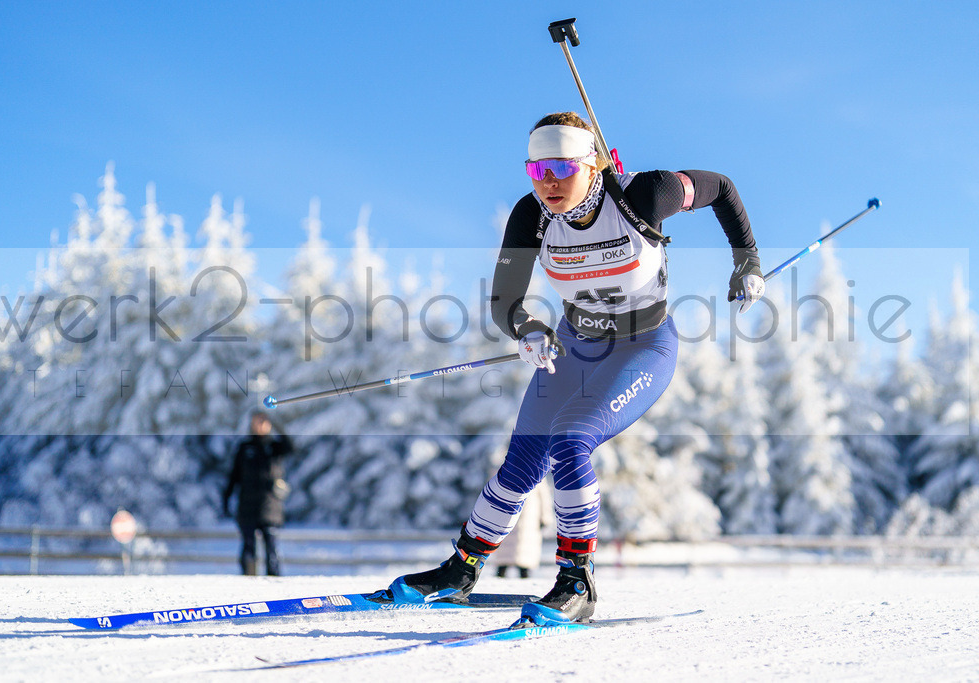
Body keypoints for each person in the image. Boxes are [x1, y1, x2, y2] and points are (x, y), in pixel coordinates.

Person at [388, 112, 764, 624]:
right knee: (522, 460)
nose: (548, 182)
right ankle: (461, 569)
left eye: (562, 167)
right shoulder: (532, 215)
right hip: (574, 346)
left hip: (642, 346)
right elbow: (504, 301)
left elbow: (721, 187)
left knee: (570, 439)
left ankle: (576, 581)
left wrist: (747, 260)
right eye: (536, 170)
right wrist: (526, 328)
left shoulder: (644, 195)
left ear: (592, 164)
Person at [222, 411, 295, 576]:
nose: (261, 425)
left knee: (271, 546)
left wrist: (277, 423)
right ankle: (248, 579)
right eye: (257, 421)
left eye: (264, 422)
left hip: (270, 506)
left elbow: (291, 447)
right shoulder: (245, 448)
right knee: (248, 546)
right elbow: (234, 476)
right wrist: (226, 499)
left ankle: (274, 581)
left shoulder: (274, 447)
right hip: (247, 505)